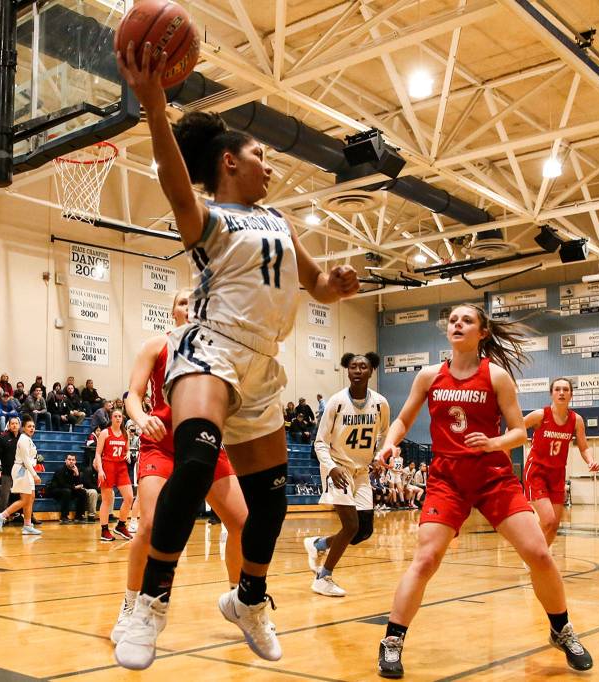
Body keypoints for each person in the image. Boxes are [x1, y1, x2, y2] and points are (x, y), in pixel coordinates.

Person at [112, 44, 359, 670]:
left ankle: (249, 598)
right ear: (228, 162)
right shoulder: (208, 219)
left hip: (263, 367)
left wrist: (339, 284)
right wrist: (154, 108)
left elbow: (317, 285)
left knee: (270, 501)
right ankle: (150, 602)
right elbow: (172, 175)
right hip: (211, 349)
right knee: (193, 463)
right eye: (260, 156)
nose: (269, 166)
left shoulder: (279, 220)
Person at [373, 304, 592, 676]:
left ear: (482, 332)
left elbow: (519, 432)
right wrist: (390, 443)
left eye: (467, 320)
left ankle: (561, 628)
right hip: (447, 480)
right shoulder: (429, 376)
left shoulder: (496, 377)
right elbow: (404, 418)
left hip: (493, 477)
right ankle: (392, 641)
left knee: (539, 553)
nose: (458, 324)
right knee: (426, 558)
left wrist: (493, 444)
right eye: (453, 320)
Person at [112, 288, 248, 646]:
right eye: (184, 302)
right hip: (163, 443)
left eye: (197, 302)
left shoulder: (217, 350)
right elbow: (133, 395)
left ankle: (239, 600)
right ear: (173, 311)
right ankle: (131, 605)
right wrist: (141, 419)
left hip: (205, 445)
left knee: (242, 523)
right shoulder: (157, 345)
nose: (191, 307)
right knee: (152, 525)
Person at [304, 351, 389, 597]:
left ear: (371, 370)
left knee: (363, 531)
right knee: (350, 525)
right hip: (338, 468)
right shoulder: (337, 401)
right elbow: (320, 442)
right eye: (353, 367)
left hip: (361, 470)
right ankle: (323, 577)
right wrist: (331, 467)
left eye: (363, 366)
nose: (358, 370)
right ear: (347, 370)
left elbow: (384, 433)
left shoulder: (381, 403)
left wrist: (378, 456)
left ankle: (319, 544)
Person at [524, 378, 599, 547]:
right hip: (537, 470)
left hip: (557, 473)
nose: (561, 392)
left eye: (565, 389)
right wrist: (505, 454)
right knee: (548, 519)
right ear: (551, 394)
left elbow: (584, 447)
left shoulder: (576, 420)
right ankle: (533, 553)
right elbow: (514, 429)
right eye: (557, 389)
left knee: (554, 525)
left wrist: (591, 461)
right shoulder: (540, 415)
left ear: (571, 395)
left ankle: (538, 556)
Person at [0, 415, 42, 535]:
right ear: (23, 428)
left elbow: (30, 458)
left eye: (33, 426)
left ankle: (27, 525)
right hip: (21, 470)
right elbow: (25, 459)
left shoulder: (27, 439)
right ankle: (1, 516)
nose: (32, 428)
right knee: (25, 499)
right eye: (29, 426)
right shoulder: (23, 439)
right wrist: (35, 475)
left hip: (26, 470)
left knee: (31, 497)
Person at [94, 408, 135, 542]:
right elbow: (98, 454)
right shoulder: (105, 433)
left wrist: (128, 454)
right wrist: (100, 470)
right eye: (115, 416)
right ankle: (104, 530)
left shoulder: (125, 434)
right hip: (108, 466)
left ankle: (121, 525)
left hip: (121, 467)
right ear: (111, 418)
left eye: (120, 416)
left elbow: (127, 449)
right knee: (107, 500)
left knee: (129, 498)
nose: (118, 418)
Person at [47, 453, 86, 523]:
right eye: (69, 459)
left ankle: (79, 516)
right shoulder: (60, 470)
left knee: (82, 492)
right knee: (67, 491)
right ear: (65, 461)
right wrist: (74, 487)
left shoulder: (76, 470)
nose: (71, 461)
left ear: (75, 461)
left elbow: (80, 484)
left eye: (73, 460)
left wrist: (77, 475)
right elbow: (62, 484)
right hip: (56, 490)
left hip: (69, 490)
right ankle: (64, 516)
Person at [0, 417, 20, 513]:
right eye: (12, 423)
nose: (14, 425)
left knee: (24, 495)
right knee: (4, 496)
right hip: (7, 471)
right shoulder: (3, 437)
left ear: (19, 425)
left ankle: (25, 516)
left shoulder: (23, 438)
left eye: (16, 423)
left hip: (20, 472)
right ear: (8, 425)